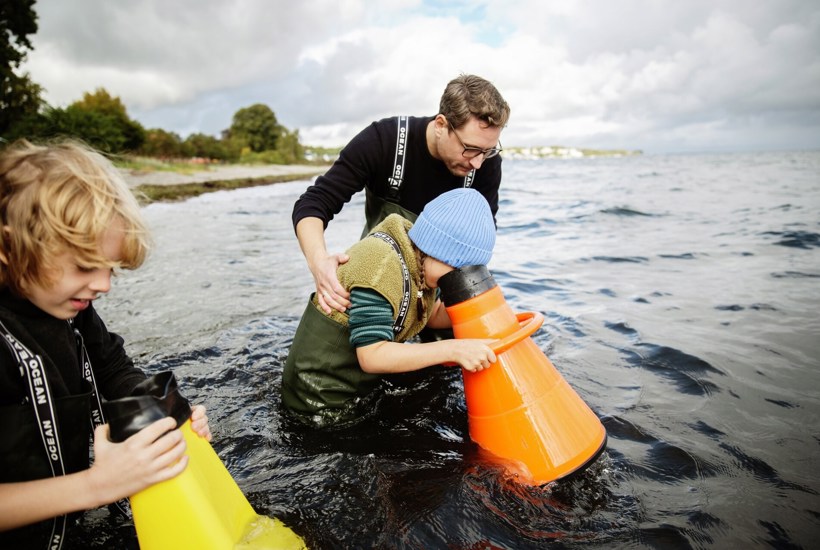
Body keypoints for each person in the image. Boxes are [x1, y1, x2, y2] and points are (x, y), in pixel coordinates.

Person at [0, 139, 212, 549]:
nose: (104, 285)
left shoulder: (73, 310)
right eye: (84, 266)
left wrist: (170, 416)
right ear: (10, 246)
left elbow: (114, 369)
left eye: (110, 268)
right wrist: (97, 486)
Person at [292, 74, 510, 315]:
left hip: (441, 289)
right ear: (441, 125)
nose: (479, 163)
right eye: (470, 149)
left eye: (488, 151)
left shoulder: (487, 164)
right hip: (379, 281)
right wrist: (319, 262)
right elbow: (314, 203)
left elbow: (480, 237)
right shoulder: (384, 141)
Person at [282, 188, 498, 428]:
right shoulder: (380, 266)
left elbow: (432, 314)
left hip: (359, 389)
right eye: (458, 271)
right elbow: (372, 356)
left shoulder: (422, 264)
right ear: (438, 250)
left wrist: (484, 309)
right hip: (320, 403)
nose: (457, 280)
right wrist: (454, 350)